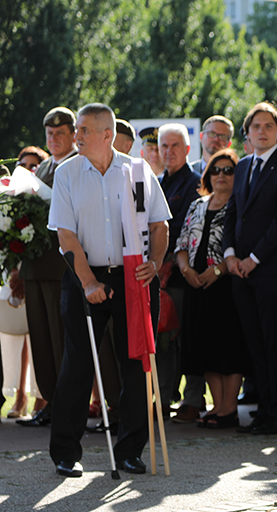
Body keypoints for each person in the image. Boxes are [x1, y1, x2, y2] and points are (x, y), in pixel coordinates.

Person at [48, 103, 170, 477]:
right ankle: (65, 452)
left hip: (133, 275)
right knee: (77, 364)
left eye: (82, 130)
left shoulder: (136, 171)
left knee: (136, 363)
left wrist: (157, 262)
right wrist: (88, 283)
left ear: (106, 134)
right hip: (84, 276)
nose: (75, 136)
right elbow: (65, 235)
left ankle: (131, 449)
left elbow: (159, 223)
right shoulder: (67, 173)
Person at [223, 102, 277, 436]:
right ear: (247, 133)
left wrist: (253, 258)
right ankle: (263, 410)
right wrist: (229, 254)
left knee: (273, 340)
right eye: (255, 126)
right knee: (253, 341)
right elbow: (232, 213)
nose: (262, 131)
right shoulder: (242, 167)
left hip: (270, 269)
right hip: (239, 270)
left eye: (269, 126)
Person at [175, 148, 250, 428]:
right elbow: (181, 244)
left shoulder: (242, 205)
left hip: (228, 286)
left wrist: (217, 271)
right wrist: (186, 270)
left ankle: (229, 408)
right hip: (196, 286)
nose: (221, 175)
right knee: (203, 346)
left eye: (228, 170)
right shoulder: (197, 205)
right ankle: (218, 407)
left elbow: (244, 247)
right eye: (216, 170)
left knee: (228, 347)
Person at [16, 107, 79, 429]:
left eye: (60, 133)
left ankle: (67, 405)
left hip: (61, 266)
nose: (54, 139)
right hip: (35, 265)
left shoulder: (78, 165)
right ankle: (52, 402)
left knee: (60, 338)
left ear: (73, 135)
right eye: (49, 134)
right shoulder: (40, 169)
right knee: (41, 338)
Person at [157, 123, 206, 423]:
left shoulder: (195, 183)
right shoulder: (158, 183)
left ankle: (192, 400)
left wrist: (169, 262)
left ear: (188, 149)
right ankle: (162, 399)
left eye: (175, 146)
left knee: (188, 338)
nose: (169, 151)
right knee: (165, 339)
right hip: (158, 274)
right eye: (164, 146)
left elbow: (186, 230)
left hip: (183, 274)